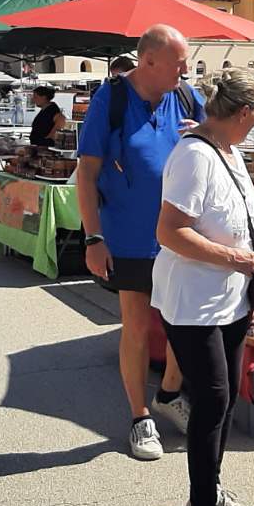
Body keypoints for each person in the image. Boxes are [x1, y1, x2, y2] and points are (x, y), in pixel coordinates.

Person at [153, 68, 254, 506]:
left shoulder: (227, 150)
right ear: (243, 112)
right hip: (194, 302)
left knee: (222, 402)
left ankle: (211, 491)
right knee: (213, 402)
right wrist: (235, 259)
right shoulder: (195, 157)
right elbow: (170, 231)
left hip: (230, 298)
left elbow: (235, 221)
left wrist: (251, 280)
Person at [77, 24, 202, 461]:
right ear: (149, 61)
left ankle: (169, 391)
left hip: (183, 234)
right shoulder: (110, 100)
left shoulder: (186, 97)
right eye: (179, 62)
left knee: (183, 324)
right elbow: (87, 173)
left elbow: (221, 147)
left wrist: (206, 138)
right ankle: (139, 416)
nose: (186, 69)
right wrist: (93, 237)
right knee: (135, 325)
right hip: (129, 236)